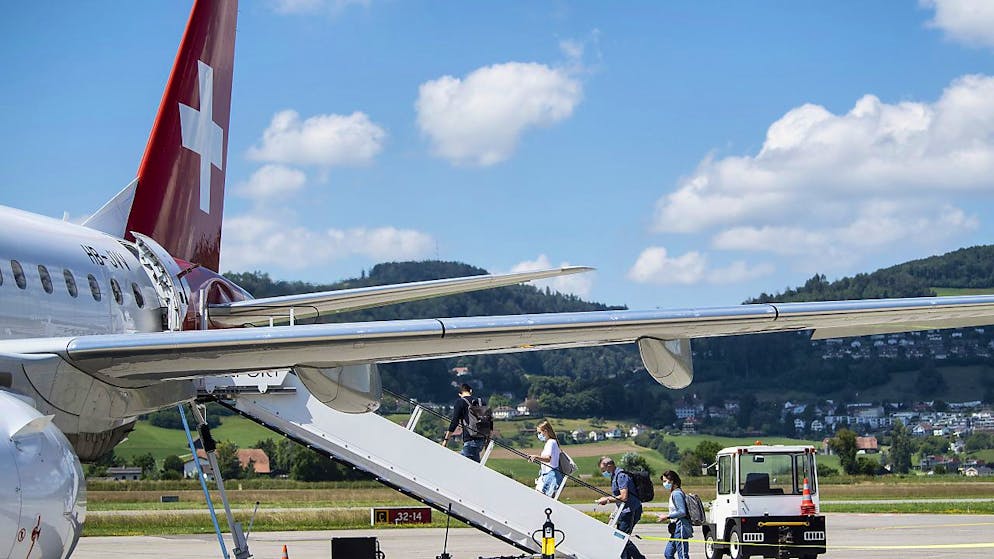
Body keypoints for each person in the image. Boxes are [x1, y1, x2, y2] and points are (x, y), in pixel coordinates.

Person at [595, 456, 646, 559]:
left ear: (609, 466)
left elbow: (624, 497)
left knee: (621, 539)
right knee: (620, 538)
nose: (603, 472)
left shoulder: (621, 476)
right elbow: (619, 499)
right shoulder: (615, 476)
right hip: (624, 511)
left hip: (630, 511)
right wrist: (615, 514)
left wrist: (607, 499)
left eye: (603, 470)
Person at [441, 383, 486, 462]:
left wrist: (445, 440)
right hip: (481, 440)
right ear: (471, 391)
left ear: (459, 394)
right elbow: (489, 421)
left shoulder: (460, 402)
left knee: (461, 464)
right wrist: (487, 441)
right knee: (468, 464)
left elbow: (454, 422)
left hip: (470, 440)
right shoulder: (481, 401)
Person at [657, 470, 692, 559]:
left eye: (665, 481)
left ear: (672, 481)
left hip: (681, 526)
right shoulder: (674, 493)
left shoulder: (677, 493)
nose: (664, 484)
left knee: (682, 555)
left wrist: (667, 516)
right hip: (675, 527)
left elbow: (682, 512)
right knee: (668, 553)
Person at [527, 420, 563, 497]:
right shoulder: (551, 442)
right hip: (548, 475)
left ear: (545, 432)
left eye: (539, 433)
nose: (538, 435)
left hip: (550, 476)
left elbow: (548, 459)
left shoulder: (551, 442)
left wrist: (536, 457)